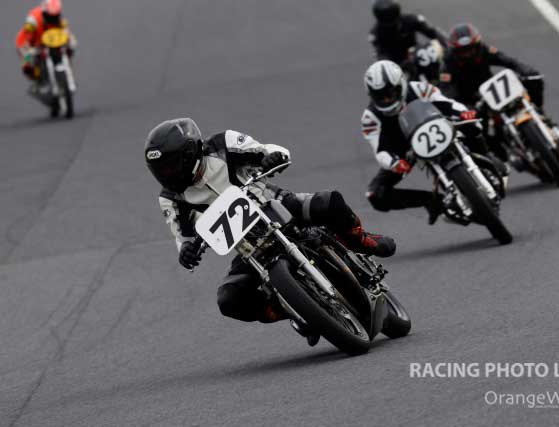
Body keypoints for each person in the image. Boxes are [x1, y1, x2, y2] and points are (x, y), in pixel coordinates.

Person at [144, 118, 396, 345]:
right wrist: (186, 252)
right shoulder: (171, 199)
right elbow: (183, 237)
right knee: (229, 299)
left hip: (276, 205)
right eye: (160, 169)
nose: (167, 174)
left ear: (190, 154)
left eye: (170, 166)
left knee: (330, 202)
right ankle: (294, 309)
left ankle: (362, 240)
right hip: (248, 247)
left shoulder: (223, 144)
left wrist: (272, 157)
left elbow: (269, 150)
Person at [361, 60, 502, 224]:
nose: (386, 100)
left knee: (473, 124)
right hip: (404, 151)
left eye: (390, 94)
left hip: (436, 126)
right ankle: (433, 201)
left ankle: (488, 156)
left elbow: (446, 103)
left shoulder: (418, 88)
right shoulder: (369, 118)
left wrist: (463, 113)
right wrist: (394, 163)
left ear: (401, 85)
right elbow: (380, 150)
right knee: (375, 194)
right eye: (380, 96)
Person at [439, 23, 559, 158]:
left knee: (534, 79)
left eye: (470, 49)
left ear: (477, 45)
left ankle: (541, 114)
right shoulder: (448, 64)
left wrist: (525, 70)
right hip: (471, 101)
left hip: (492, 89)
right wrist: (464, 109)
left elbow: (509, 61)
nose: (468, 54)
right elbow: (446, 92)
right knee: (477, 131)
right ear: (455, 52)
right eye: (463, 51)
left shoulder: (485, 50)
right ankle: (498, 157)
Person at [369, 0, 448, 68]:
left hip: (418, 55)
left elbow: (433, 32)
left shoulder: (410, 19)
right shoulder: (376, 34)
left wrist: (448, 44)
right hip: (397, 66)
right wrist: (397, 66)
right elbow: (381, 56)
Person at [15, 0, 76, 83]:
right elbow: (24, 38)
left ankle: (65, 67)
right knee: (27, 64)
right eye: (50, 17)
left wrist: (69, 41)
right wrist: (27, 51)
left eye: (55, 16)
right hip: (33, 45)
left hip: (50, 43)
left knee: (70, 46)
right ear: (44, 13)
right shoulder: (33, 21)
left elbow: (66, 32)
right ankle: (37, 79)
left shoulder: (59, 20)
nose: (53, 19)